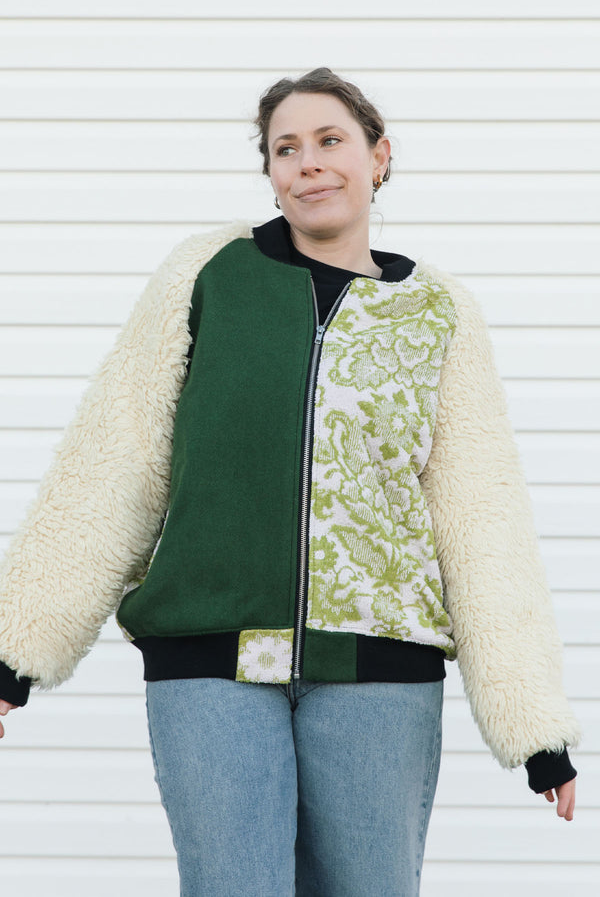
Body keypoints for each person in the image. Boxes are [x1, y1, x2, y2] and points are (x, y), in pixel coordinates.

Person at [0, 67, 580, 896]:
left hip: (379, 672)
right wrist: (15, 654)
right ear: (269, 171)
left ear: (379, 157)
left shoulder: (439, 312)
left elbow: (482, 516)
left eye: (330, 141)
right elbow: (114, 461)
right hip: (210, 663)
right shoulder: (209, 275)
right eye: (286, 148)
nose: (308, 162)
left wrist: (534, 729)